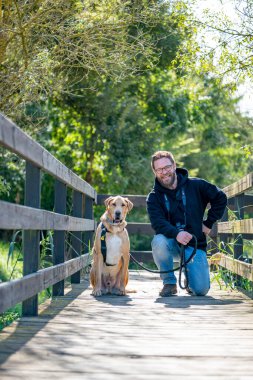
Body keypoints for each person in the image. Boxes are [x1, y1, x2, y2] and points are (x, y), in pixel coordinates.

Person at [146, 151, 227, 297]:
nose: (164, 172)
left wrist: (208, 223)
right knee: (158, 241)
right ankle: (169, 283)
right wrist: (177, 234)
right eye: (159, 169)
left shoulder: (196, 185)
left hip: (194, 244)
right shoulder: (153, 197)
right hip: (170, 244)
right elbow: (158, 223)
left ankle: (189, 276)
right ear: (155, 172)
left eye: (167, 167)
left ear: (174, 166)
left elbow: (221, 197)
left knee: (201, 290)